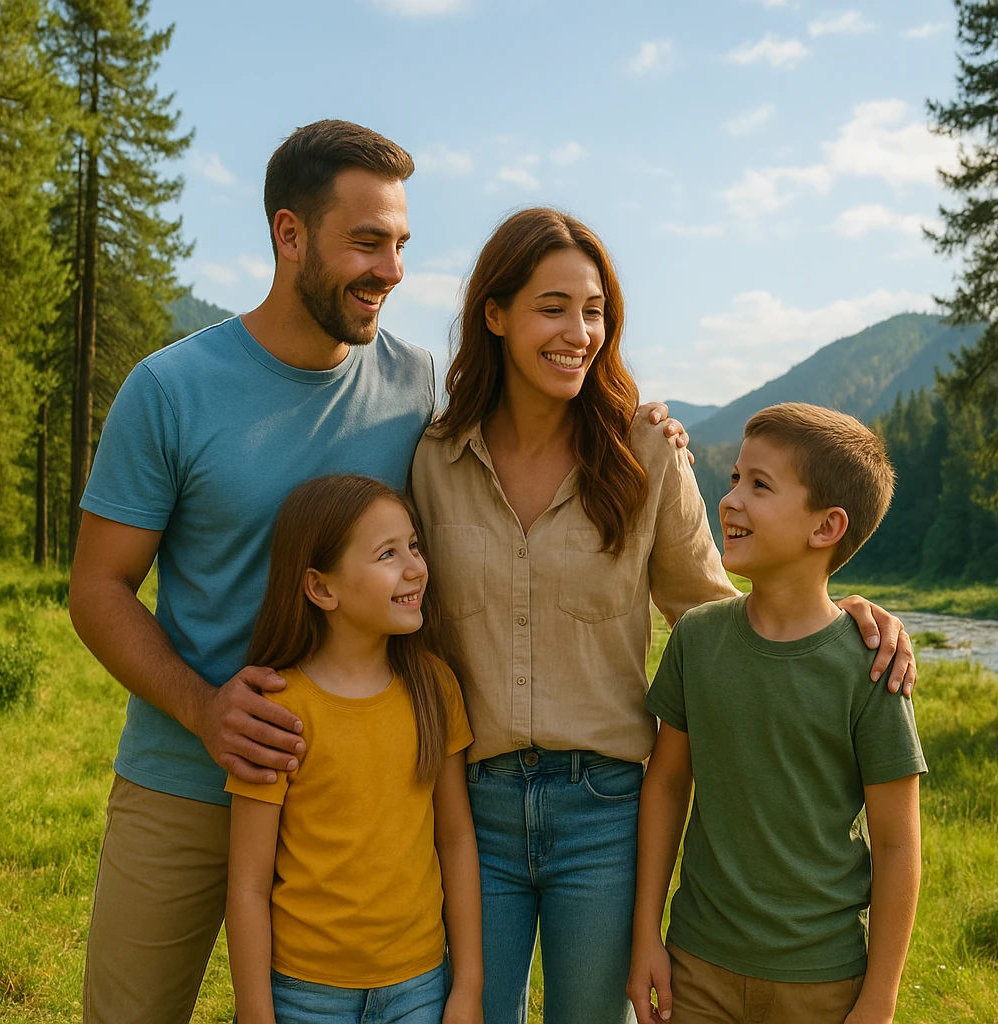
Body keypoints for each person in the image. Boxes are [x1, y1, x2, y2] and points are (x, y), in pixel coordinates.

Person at [68, 120, 692, 1023]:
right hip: (188, 774)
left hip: (361, 798)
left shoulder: (415, 390)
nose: (392, 270)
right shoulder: (170, 389)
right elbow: (96, 589)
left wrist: (647, 424)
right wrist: (205, 709)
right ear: (289, 236)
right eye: (366, 242)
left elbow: (515, 456)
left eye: (400, 243)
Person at [410, 210, 921, 1024]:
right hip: (469, 811)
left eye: (594, 311)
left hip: (605, 815)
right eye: (552, 307)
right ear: (495, 315)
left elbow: (724, 609)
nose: (578, 331)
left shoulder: (644, 454)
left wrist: (842, 611)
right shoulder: (433, 458)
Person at [627, 402, 926, 1024]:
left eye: (759, 485)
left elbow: (897, 845)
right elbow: (666, 784)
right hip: (696, 969)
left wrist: (879, 999)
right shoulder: (697, 638)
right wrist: (645, 935)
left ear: (826, 527)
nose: (731, 499)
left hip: (822, 981)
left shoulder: (871, 666)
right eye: (735, 478)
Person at [224, 475, 481, 1024]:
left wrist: (469, 988)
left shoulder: (435, 689)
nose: (415, 567)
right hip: (305, 996)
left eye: (414, 546)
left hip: (419, 987)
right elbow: (247, 883)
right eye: (387, 553)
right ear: (321, 588)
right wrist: (255, 1012)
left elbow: (456, 839)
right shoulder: (277, 709)